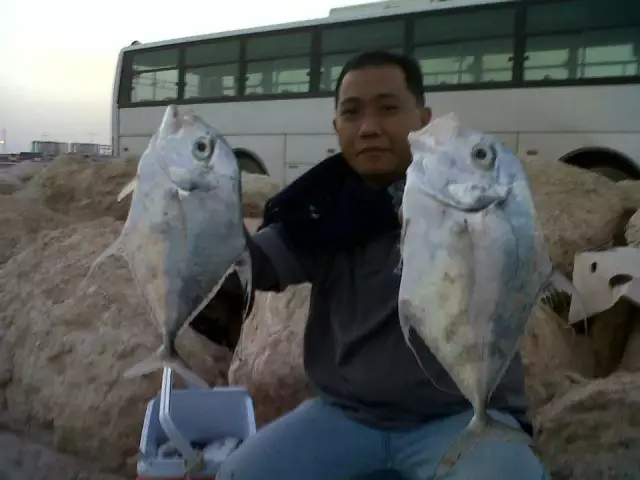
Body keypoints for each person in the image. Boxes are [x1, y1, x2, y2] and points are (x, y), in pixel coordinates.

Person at [192, 50, 548, 480]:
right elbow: (255, 265)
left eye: (388, 108)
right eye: (352, 113)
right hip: (345, 416)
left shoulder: (469, 199)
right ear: (337, 127)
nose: (370, 128)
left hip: (460, 416)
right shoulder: (322, 210)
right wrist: (197, 214)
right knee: (240, 474)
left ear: (424, 118)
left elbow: (517, 263)